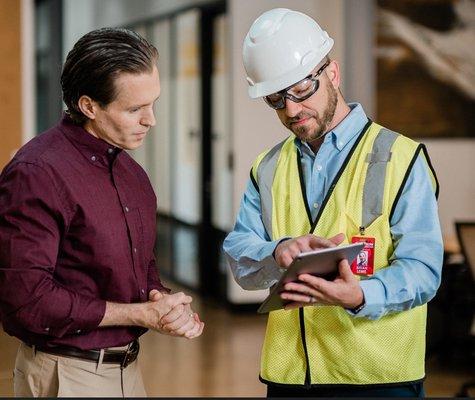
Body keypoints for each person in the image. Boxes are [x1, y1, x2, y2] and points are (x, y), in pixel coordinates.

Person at [223, 8, 443, 398]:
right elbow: (240, 256)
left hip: (378, 379)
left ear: (333, 74)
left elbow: (423, 270)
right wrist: (277, 250)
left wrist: (361, 295)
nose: (291, 110)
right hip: (292, 378)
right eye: (276, 97)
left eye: (302, 89)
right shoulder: (268, 167)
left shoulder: (401, 157)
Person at [0, 28, 204, 397]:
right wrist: (138, 314)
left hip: (129, 371)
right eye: (135, 109)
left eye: (153, 103)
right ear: (89, 106)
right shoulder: (37, 173)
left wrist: (163, 303)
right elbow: (26, 300)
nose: (151, 120)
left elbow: (142, 272)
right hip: (64, 375)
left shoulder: (133, 175)